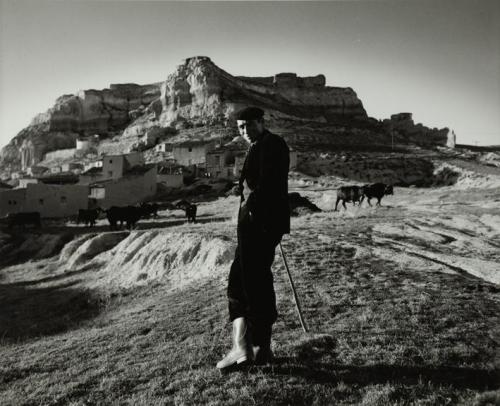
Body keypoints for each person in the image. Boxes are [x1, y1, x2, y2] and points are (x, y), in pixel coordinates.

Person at [216, 107, 290, 370]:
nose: (244, 131)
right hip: (258, 225)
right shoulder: (260, 144)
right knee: (253, 281)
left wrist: (259, 219)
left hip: (259, 226)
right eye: (240, 127)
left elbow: (268, 185)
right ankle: (258, 348)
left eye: (248, 125)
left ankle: (244, 348)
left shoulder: (272, 144)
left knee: (244, 284)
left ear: (261, 121)